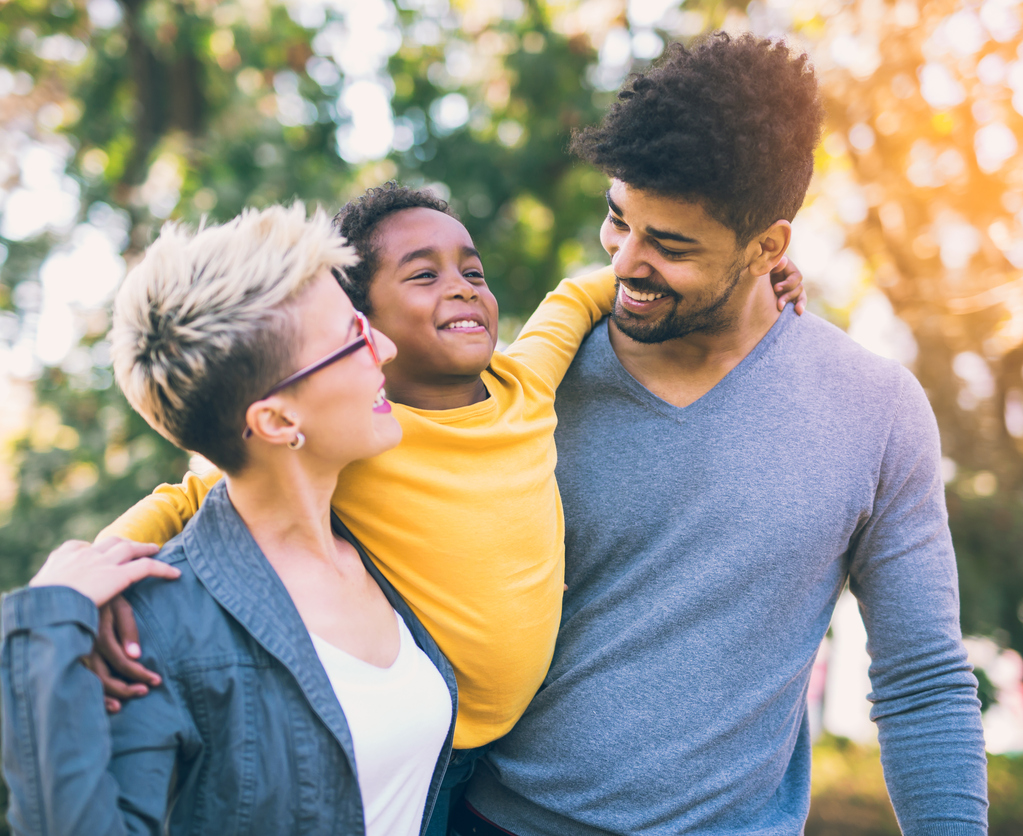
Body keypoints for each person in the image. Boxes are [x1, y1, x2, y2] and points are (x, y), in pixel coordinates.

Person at [90, 183, 807, 835]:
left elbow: (591, 291)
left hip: (522, 758)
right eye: (424, 275)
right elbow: (194, 496)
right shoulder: (356, 436)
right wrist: (90, 574)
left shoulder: (527, 380)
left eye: (472, 271)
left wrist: (744, 273)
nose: (463, 288)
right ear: (360, 323)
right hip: (424, 751)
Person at [453, 32, 989, 836]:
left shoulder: (875, 411)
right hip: (498, 822)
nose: (626, 261)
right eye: (618, 221)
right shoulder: (545, 374)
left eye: (669, 246)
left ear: (769, 245)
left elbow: (923, 682)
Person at [0, 204, 459, 836]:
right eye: (352, 336)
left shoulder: (376, 542)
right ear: (276, 421)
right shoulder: (155, 627)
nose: (384, 344)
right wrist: (46, 629)